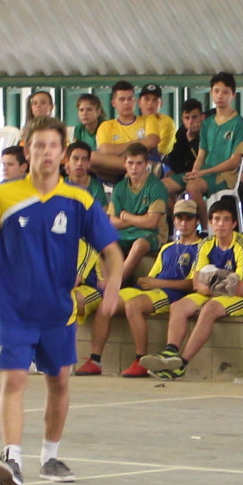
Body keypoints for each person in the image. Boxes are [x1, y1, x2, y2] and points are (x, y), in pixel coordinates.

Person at [0, 121, 121, 485]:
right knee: (16, 378)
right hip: (12, 307)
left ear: (64, 152)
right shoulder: (2, 195)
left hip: (57, 309)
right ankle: (12, 458)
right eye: (39, 145)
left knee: (59, 380)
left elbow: (112, 252)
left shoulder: (79, 201)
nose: (46, 152)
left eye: (54, 146)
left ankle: (50, 456)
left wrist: (113, 286)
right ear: (27, 149)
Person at [83, 145, 172, 374]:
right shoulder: (121, 187)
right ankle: (95, 360)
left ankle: (117, 282)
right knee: (104, 244)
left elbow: (152, 223)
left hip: (151, 237)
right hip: (124, 236)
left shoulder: (155, 187)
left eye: (139, 163)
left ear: (147, 165)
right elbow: (111, 222)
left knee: (140, 244)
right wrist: (133, 219)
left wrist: (125, 217)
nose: (134, 168)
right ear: (125, 164)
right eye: (130, 163)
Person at [151, 196, 243, 379]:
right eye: (216, 219)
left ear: (234, 223)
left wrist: (209, 283)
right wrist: (223, 283)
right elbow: (196, 283)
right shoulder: (206, 244)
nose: (221, 224)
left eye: (226, 219)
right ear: (209, 222)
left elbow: (241, 289)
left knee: (209, 309)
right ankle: (170, 352)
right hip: (215, 292)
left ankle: (180, 365)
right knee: (178, 306)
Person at [111, 201, 202, 378]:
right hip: (154, 289)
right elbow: (152, 277)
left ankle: (140, 360)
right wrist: (146, 281)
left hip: (172, 293)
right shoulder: (167, 248)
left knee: (133, 306)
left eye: (189, 219)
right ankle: (95, 357)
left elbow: (192, 283)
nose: (184, 223)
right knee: (108, 302)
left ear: (196, 221)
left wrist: (157, 284)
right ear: (173, 221)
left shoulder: (201, 247)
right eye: (180, 219)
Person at [185, 73, 243, 208]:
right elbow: (201, 155)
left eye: (225, 92)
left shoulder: (238, 124)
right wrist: (195, 172)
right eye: (216, 91)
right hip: (204, 174)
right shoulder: (207, 123)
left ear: (233, 95)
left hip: (225, 178)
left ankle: (203, 228)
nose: (220, 95)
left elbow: (234, 161)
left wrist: (204, 172)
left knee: (192, 188)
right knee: (167, 186)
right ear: (211, 93)